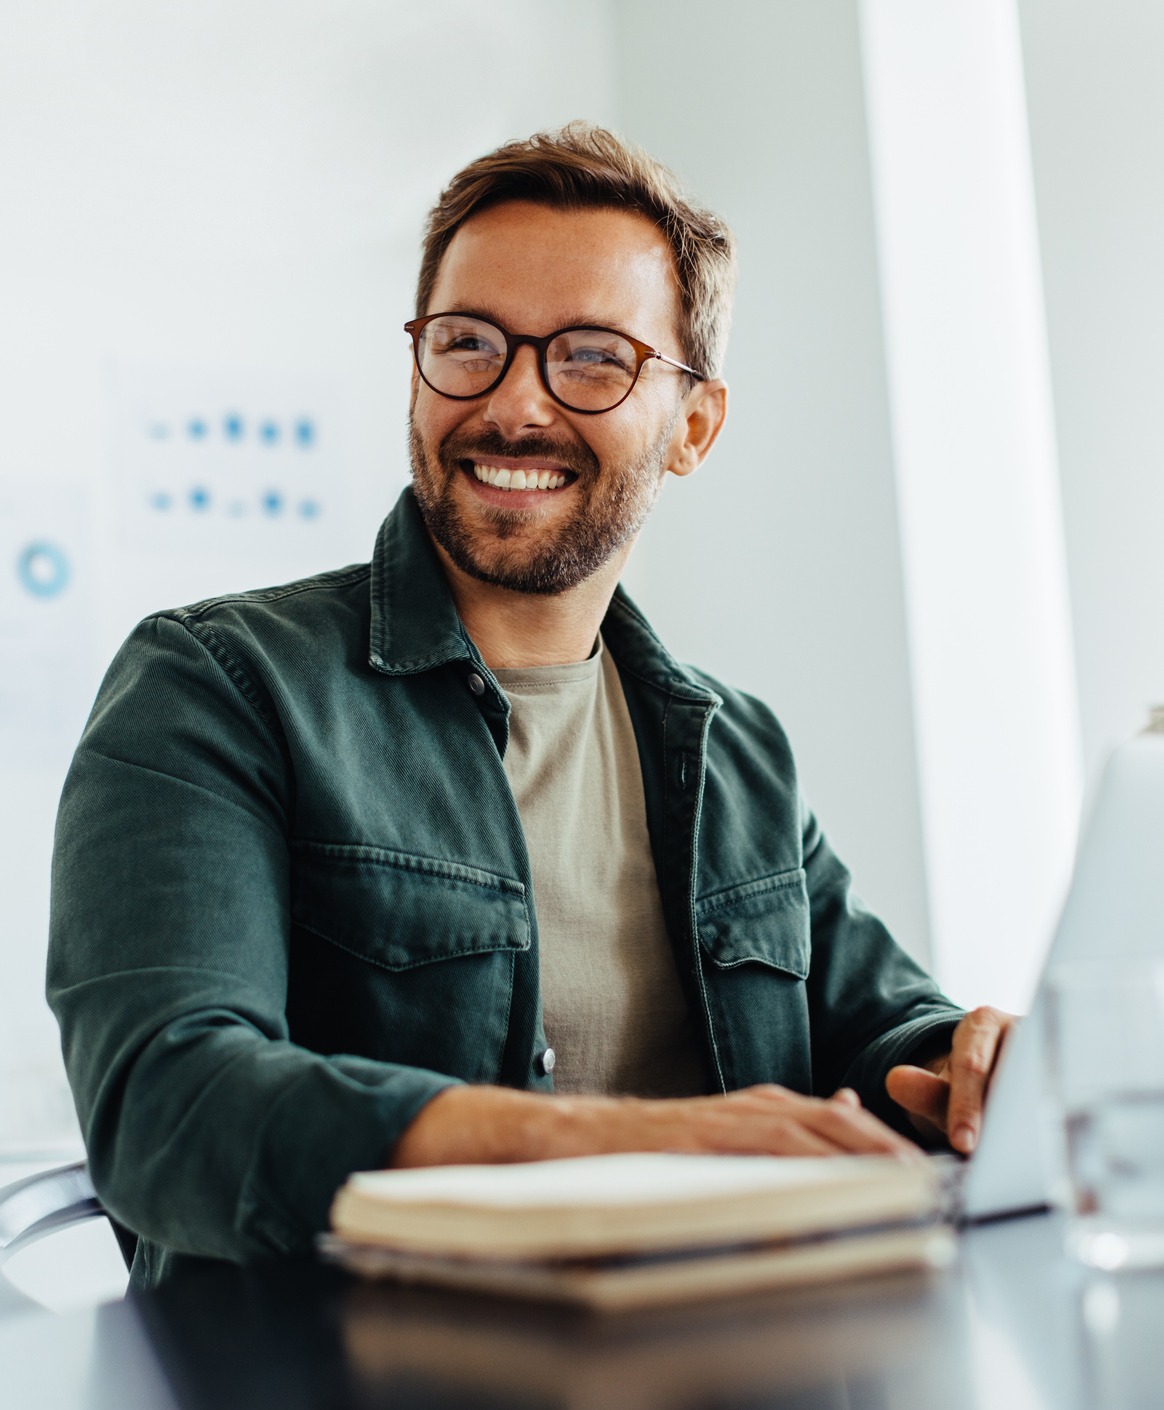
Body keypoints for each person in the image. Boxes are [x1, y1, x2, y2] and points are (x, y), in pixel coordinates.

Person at [48, 123, 1012, 1288]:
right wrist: (607, 1146)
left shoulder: (735, 748)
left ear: (693, 426)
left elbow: (881, 1029)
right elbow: (169, 1110)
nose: (514, 404)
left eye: (594, 358)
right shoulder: (216, 685)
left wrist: (968, 1060)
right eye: (469, 344)